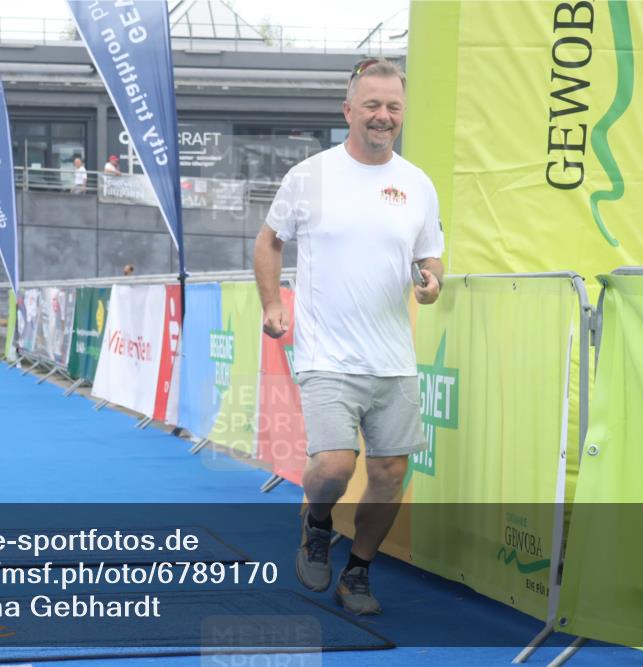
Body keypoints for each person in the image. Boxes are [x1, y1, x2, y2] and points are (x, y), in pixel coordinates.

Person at [252, 58, 444, 615]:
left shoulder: (416, 184)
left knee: (389, 473)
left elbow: (428, 256)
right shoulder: (309, 176)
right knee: (335, 466)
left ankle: (357, 572)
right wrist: (271, 302)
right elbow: (269, 242)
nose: (383, 117)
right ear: (348, 111)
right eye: (372, 106)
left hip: (393, 357)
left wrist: (430, 283)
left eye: (393, 107)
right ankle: (316, 523)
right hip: (325, 353)